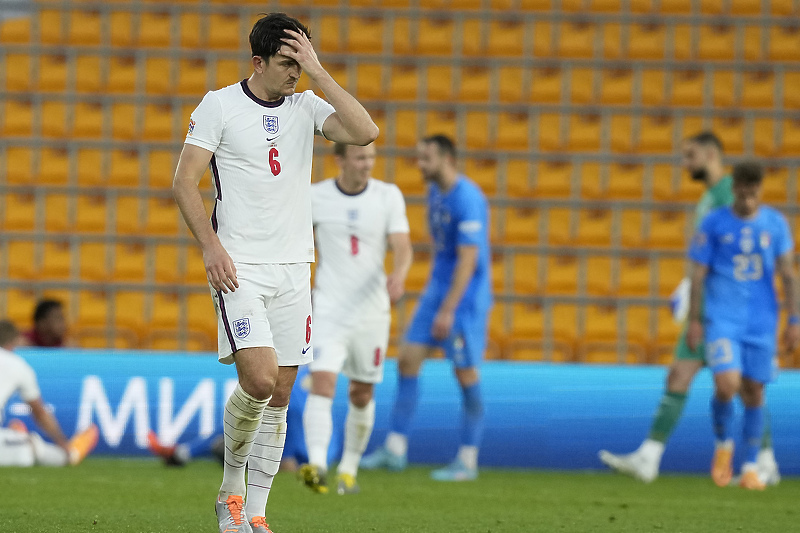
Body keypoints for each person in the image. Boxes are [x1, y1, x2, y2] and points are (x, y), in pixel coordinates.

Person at [172, 12, 378, 533]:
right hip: (239, 267)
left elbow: (365, 131)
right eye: (289, 62)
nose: (296, 72)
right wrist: (211, 247)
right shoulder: (219, 105)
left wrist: (319, 70)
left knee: (281, 394)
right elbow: (184, 181)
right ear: (258, 61)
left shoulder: (306, 105)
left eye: (301, 62)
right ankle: (230, 492)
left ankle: (258, 514)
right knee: (259, 380)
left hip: (294, 269)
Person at [599, 132, 780, 484]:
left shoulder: (728, 195)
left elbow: (737, 255)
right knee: (682, 376)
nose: (685, 164)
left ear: (711, 155)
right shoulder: (712, 197)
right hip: (710, 309)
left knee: (746, 386)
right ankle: (649, 457)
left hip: (725, 313)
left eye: (690, 156)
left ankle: (765, 460)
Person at [360, 134, 492, 481]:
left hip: (463, 299)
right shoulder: (436, 192)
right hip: (438, 290)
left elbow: (468, 261)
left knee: (465, 373)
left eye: (426, 158)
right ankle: (396, 448)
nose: (420, 165)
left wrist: (448, 310)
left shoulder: (468, 199)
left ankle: (468, 458)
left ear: (447, 159)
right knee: (407, 358)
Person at [298, 142, 412, 495]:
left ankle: (348, 469)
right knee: (323, 383)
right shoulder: (315, 196)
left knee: (362, 393)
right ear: (341, 160)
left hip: (372, 312)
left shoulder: (387, 195)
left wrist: (400, 273)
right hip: (329, 307)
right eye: (361, 158)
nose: (367, 165)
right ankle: (317, 465)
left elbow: (403, 245)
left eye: (372, 158)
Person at [685, 161, 798, 490]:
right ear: (734, 187)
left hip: (762, 322)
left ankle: (749, 467)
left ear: (760, 188)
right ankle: (723, 446)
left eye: (754, 186)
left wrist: (794, 320)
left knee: (754, 392)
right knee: (726, 384)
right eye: (743, 186)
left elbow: (788, 275)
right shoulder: (715, 222)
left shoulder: (775, 224)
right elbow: (698, 274)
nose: (748, 192)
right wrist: (694, 320)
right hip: (722, 319)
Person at [147, 365, 343, 470]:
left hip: (303, 454)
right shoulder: (310, 371)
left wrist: (288, 457)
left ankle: (184, 453)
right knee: (241, 418)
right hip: (321, 453)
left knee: (242, 417)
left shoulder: (295, 371)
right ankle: (183, 453)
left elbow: (292, 412)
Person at [0, 319, 98, 467]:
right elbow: (40, 413)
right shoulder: (18, 365)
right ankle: (70, 454)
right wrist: (62, 442)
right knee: (28, 449)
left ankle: (15, 437)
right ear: (13, 342)